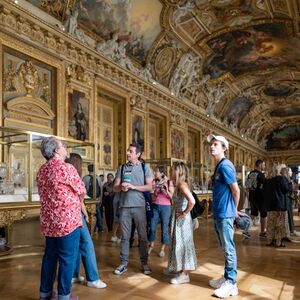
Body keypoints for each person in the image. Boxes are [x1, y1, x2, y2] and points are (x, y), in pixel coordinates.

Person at [37, 137, 85, 300]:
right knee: (67, 259)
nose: (66, 148)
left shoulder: (42, 170)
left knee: (49, 257)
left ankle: (45, 294)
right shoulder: (67, 168)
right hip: (67, 222)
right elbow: (81, 189)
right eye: (63, 145)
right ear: (57, 151)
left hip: (49, 222)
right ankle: (64, 296)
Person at [66, 153, 106, 289]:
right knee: (87, 244)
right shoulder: (76, 178)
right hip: (76, 215)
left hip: (68, 215)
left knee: (75, 245)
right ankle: (92, 278)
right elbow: (80, 199)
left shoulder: (64, 175)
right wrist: (84, 213)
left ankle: (74, 275)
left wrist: (84, 213)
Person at [207, 134, 239, 298]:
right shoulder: (219, 165)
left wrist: (234, 210)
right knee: (225, 247)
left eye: (216, 144)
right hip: (219, 213)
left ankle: (232, 283)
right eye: (211, 144)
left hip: (225, 213)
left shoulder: (225, 166)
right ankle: (227, 277)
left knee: (228, 248)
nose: (212, 147)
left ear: (224, 148)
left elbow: (236, 190)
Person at [113, 143, 153, 275]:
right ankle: (123, 263)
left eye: (130, 151)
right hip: (124, 206)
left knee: (142, 236)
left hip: (139, 206)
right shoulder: (122, 167)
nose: (127, 153)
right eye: (127, 150)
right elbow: (115, 187)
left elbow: (149, 187)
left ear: (138, 154)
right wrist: (121, 188)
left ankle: (144, 263)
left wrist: (133, 187)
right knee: (124, 237)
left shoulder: (144, 167)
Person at [165, 162, 197, 285]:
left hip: (182, 220)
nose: (170, 171)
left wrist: (184, 213)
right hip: (178, 218)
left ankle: (184, 275)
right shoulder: (178, 185)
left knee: (183, 245)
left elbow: (192, 201)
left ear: (178, 172)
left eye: (172, 170)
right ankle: (176, 268)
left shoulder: (182, 185)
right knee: (177, 244)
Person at [148, 166, 174, 258]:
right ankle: (151, 245)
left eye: (157, 171)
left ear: (162, 173)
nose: (155, 173)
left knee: (164, 228)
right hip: (155, 206)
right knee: (152, 226)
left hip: (166, 207)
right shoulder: (154, 181)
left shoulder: (168, 182)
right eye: (155, 171)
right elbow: (151, 192)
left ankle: (162, 249)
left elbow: (172, 196)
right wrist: (154, 188)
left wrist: (165, 190)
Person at [263, 166, 290, 247]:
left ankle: (269, 241)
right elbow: (286, 189)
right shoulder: (280, 179)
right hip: (279, 206)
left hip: (269, 206)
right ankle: (278, 242)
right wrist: (287, 179)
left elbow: (264, 192)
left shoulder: (266, 181)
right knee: (279, 224)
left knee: (270, 224)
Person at [246, 159, 267, 237]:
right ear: (260, 165)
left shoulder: (250, 173)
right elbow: (265, 186)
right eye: (264, 165)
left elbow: (247, 186)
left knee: (253, 214)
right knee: (263, 213)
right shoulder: (261, 175)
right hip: (260, 197)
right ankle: (262, 232)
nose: (264, 166)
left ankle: (246, 230)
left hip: (252, 196)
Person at [83, 164, 103, 233]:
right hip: (97, 198)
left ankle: (91, 228)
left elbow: (83, 189)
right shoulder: (98, 178)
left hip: (88, 199)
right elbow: (101, 189)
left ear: (88, 169)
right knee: (98, 213)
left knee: (88, 213)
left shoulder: (85, 178)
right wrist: (100, 199)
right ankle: (100, 227)